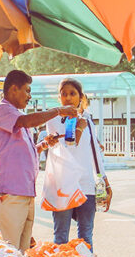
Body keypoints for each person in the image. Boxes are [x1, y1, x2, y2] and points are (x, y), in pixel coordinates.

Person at [0, 70, 77, 252]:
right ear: (13, 89)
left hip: (24, 192)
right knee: (7, 252)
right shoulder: (3, 110)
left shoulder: (16, 115)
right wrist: (59, 110)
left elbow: (23, 151)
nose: (29, 96)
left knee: (22, 252)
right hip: (8, 192)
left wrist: (43, 145)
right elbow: (27, 121)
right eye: (27, 90)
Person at [44, 79, 112, 247]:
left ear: (80, 97)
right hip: (63, 186)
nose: (68, 98)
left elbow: (95, 153)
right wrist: (78, 126)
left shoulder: (87, 121)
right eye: (64, 94)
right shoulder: (52, 121)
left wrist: (105, 181)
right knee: (61, 237)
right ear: (59, 98)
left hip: (86, 184)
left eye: (72, 94)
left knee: (85, 236)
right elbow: (70, 144)